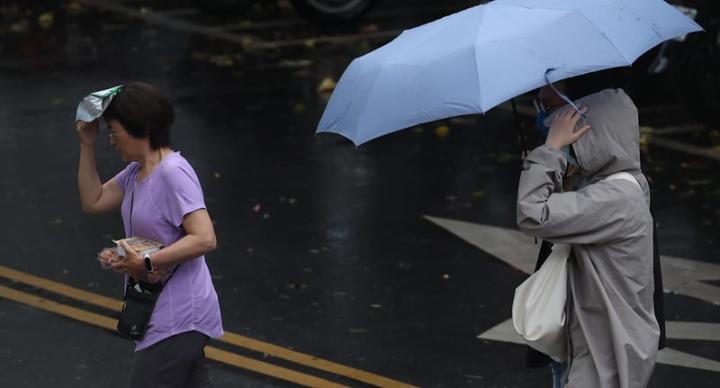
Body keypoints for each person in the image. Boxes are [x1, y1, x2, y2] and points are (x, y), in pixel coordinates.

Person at [76, 82, 223, 387]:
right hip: (159, 309)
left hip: (179, 314)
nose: (112, 140)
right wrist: (86, 144)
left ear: (140, 128)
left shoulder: (172, 172)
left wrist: (145, 264)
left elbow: (205, 238)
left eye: (114, 131)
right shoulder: (136, 172)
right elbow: (93, 200)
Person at [517, 88, 660, 388]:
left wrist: (551, 150)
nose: (570, 149)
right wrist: (551, 165)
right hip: (603, 352)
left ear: (596, 141)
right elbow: (571, 214)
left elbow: (533, 213)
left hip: (603, 363)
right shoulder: (627, 186)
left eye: (575, 140)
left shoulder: (616, 199)